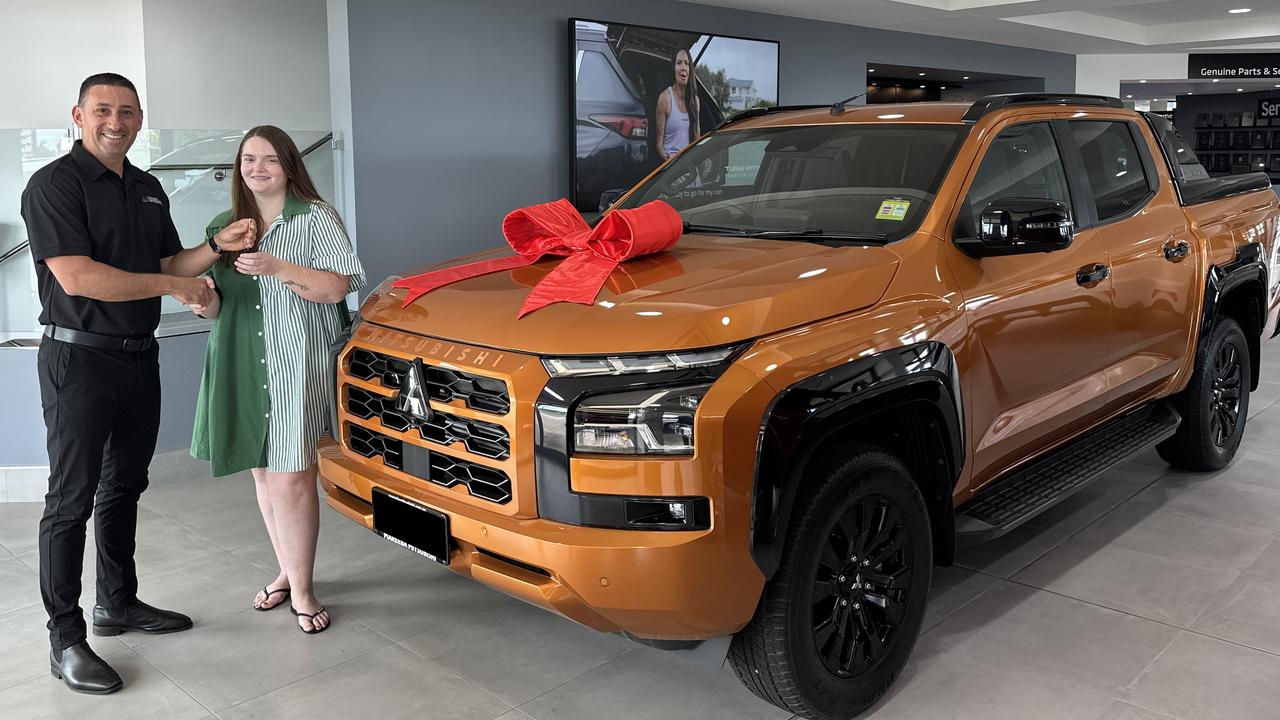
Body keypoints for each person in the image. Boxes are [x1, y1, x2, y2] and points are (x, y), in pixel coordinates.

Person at [21, 73, 255, 695]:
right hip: (78, 361)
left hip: (136, 358)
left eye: (127, 112)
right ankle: (65, 637)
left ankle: (117, 603)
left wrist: (215, 247)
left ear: (140, 117)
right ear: (77, 114)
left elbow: (166, 265)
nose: (115, 121)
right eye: (103, 110)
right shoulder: (53, 185)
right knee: (71, 498)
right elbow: (78, 277)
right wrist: (172, 287)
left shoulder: (148, 188)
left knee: (123, 485)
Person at [189, 125, 365, 635]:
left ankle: (304, 590)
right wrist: (201, 300)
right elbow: (221, 303)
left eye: (269, 159)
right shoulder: (225, 225)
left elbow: (338, 289)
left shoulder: (316, 217)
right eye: (248, 159)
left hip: (296, 361)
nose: (257, 168)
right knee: (263, 473)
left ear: (290, 166)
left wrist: (278, 266)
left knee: (292, 476)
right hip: (238, 356)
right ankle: (289, 571)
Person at [655, 47, 701, 162]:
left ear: (690, 69)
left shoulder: (695, 101)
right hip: (671, 168)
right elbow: (658, 145)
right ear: (674, 68)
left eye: (686, 63)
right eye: (679, 63)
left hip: (689, 167)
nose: (683, 68)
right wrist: (669, 162)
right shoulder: (665, 98)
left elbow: (697, 141)